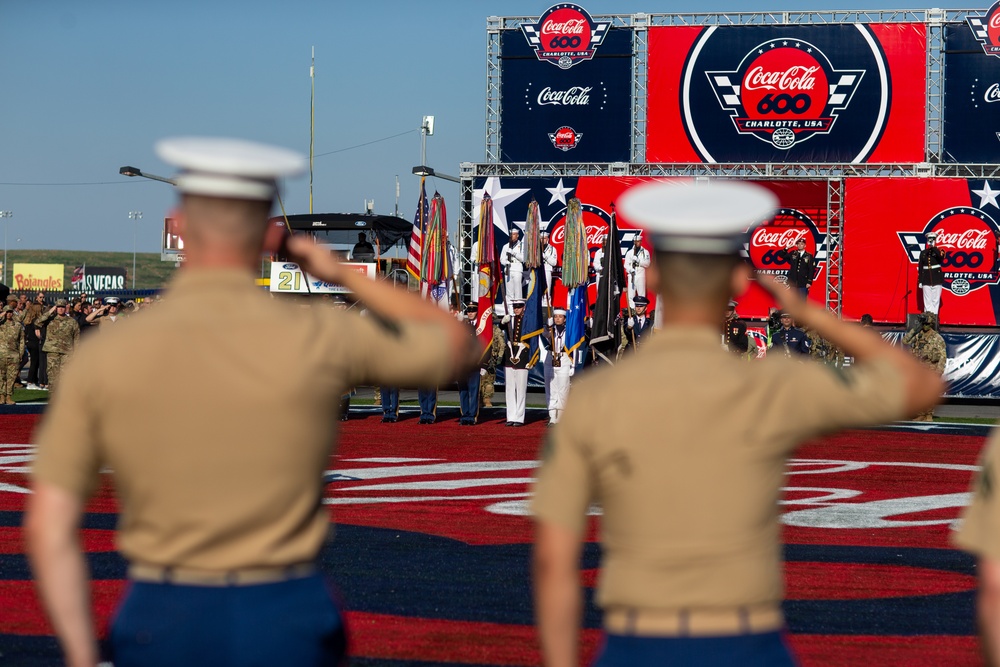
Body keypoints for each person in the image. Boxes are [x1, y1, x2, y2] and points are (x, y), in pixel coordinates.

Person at [25, 136, 479, 667]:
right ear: (269, 231)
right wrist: (329, 269)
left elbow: (48, 525)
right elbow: (457, 347)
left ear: (181, 225)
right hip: (284, 607)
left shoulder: (112, 351)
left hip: (166, 608)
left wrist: (81, 656)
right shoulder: (317, 335)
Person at [531, 180, 944, 667]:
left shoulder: (595, 399)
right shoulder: (773, 386)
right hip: (747, 643)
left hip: (637, 642)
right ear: (735, 280)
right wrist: (804, 308)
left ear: (654, 278)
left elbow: (553, 563)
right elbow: (918, 384)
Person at [901, 312, 947, 421]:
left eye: (926, 324)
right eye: (923, 324)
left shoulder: (937, 338)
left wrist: (938, 372)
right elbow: (905, 341)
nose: (924, 326)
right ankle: (920, 413)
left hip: (931, 368)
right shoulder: (918, 335)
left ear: (930, 325)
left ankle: (928, 414)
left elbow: (942, 356)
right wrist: (914, 330)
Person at [35, 298, 80, 390]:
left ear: (66, 308)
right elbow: (37, 322)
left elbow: (77, 338)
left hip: (67, 352)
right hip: (52, 352)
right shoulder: (50, 320)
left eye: (62, 307)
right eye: (58, 307)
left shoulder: (72, 322)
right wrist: (50, 311)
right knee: (52, 376)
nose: (60, 309)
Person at [541, 308, 574, 425]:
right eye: (556, 317)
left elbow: (573, 346)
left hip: (564, 358)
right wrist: (547, 326)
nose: (557, 319)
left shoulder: (569, 330)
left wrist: (573, 365)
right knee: (551, 388)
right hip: (551, 358)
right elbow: (544, 334)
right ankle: (552, 416)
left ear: (564, 318)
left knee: (563, 388)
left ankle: (560, 416)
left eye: (560, 317)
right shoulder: (551, 329)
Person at [502, 299, 530, 426]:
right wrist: (502, 322)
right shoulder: (510, 320)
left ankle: (519, 417)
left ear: (523, 307)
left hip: (522, 355)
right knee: (510, 388)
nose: (516, 309)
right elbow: (502, 330)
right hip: (510, 354)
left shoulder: (528, 320)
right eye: (515, 307)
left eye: (519, 307)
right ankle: (511, 416)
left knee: (520, 388)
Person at [458, 302, 484, 425]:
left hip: (475, 364)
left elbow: (484, 345)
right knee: (463, 391)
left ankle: (472, 415)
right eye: (468, 311)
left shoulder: (480, 327)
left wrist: (484, 364)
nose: (470, 313)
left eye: (473, 311)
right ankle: (465, 414)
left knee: (473, 391)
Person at [0, 305, 25, 405]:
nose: (9, 314)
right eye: (7, 312)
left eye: (10, 312)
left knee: (12, 377)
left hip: (14, 354)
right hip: (1, 354)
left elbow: (22, 340)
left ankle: (9, 396)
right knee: (1, 376)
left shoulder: (18, 325)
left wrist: (21, 353)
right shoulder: (1, 324)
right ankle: (1, 396)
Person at [917, 231, 946, 316]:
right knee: (927, 300)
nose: (931, 241)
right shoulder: (923, 253)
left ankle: (934, 318)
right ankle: (927, 318)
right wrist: (920, 281)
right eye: (929, 239)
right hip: (926, 278)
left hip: (936, 277)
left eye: (933, 239)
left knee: (935, 300)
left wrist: (933, 247)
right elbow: (921, 267)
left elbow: (940, 258)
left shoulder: (939, 251)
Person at [623, 231, 651, 308]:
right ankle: (632, 313)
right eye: (635, 242)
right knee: (631, 295)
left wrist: (639, 261)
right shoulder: (629, 253)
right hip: (632, 276)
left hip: (640, 275)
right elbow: (626, 265)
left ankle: (641, 311)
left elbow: (648, 264)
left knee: (641, 294)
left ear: (640, 242)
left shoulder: (645, 252)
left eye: (638, 241)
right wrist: (630, 270)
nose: (636, 243)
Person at [500, 228, 525, 300]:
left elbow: (523, 259)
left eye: (514, 234)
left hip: (517, 268)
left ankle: (518, 306)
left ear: (517, 235)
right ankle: (510, 307)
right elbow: (502, 259)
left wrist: (514, 253)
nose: (512, 236)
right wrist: (505, 262)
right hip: (508, 269)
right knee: (509, 291)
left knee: (517, 290)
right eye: (511, 234)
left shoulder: (522, 246)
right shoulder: (506, 246)